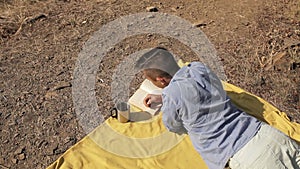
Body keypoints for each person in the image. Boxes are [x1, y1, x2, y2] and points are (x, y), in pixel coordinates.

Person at [135, 47, 300, 169]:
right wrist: (166, 97)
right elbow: (195, 90)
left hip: (250, 157)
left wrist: (169, 99)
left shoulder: (172, 95)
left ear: (161, 80)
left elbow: (173, 125)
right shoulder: (199, 68)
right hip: (270, 135)